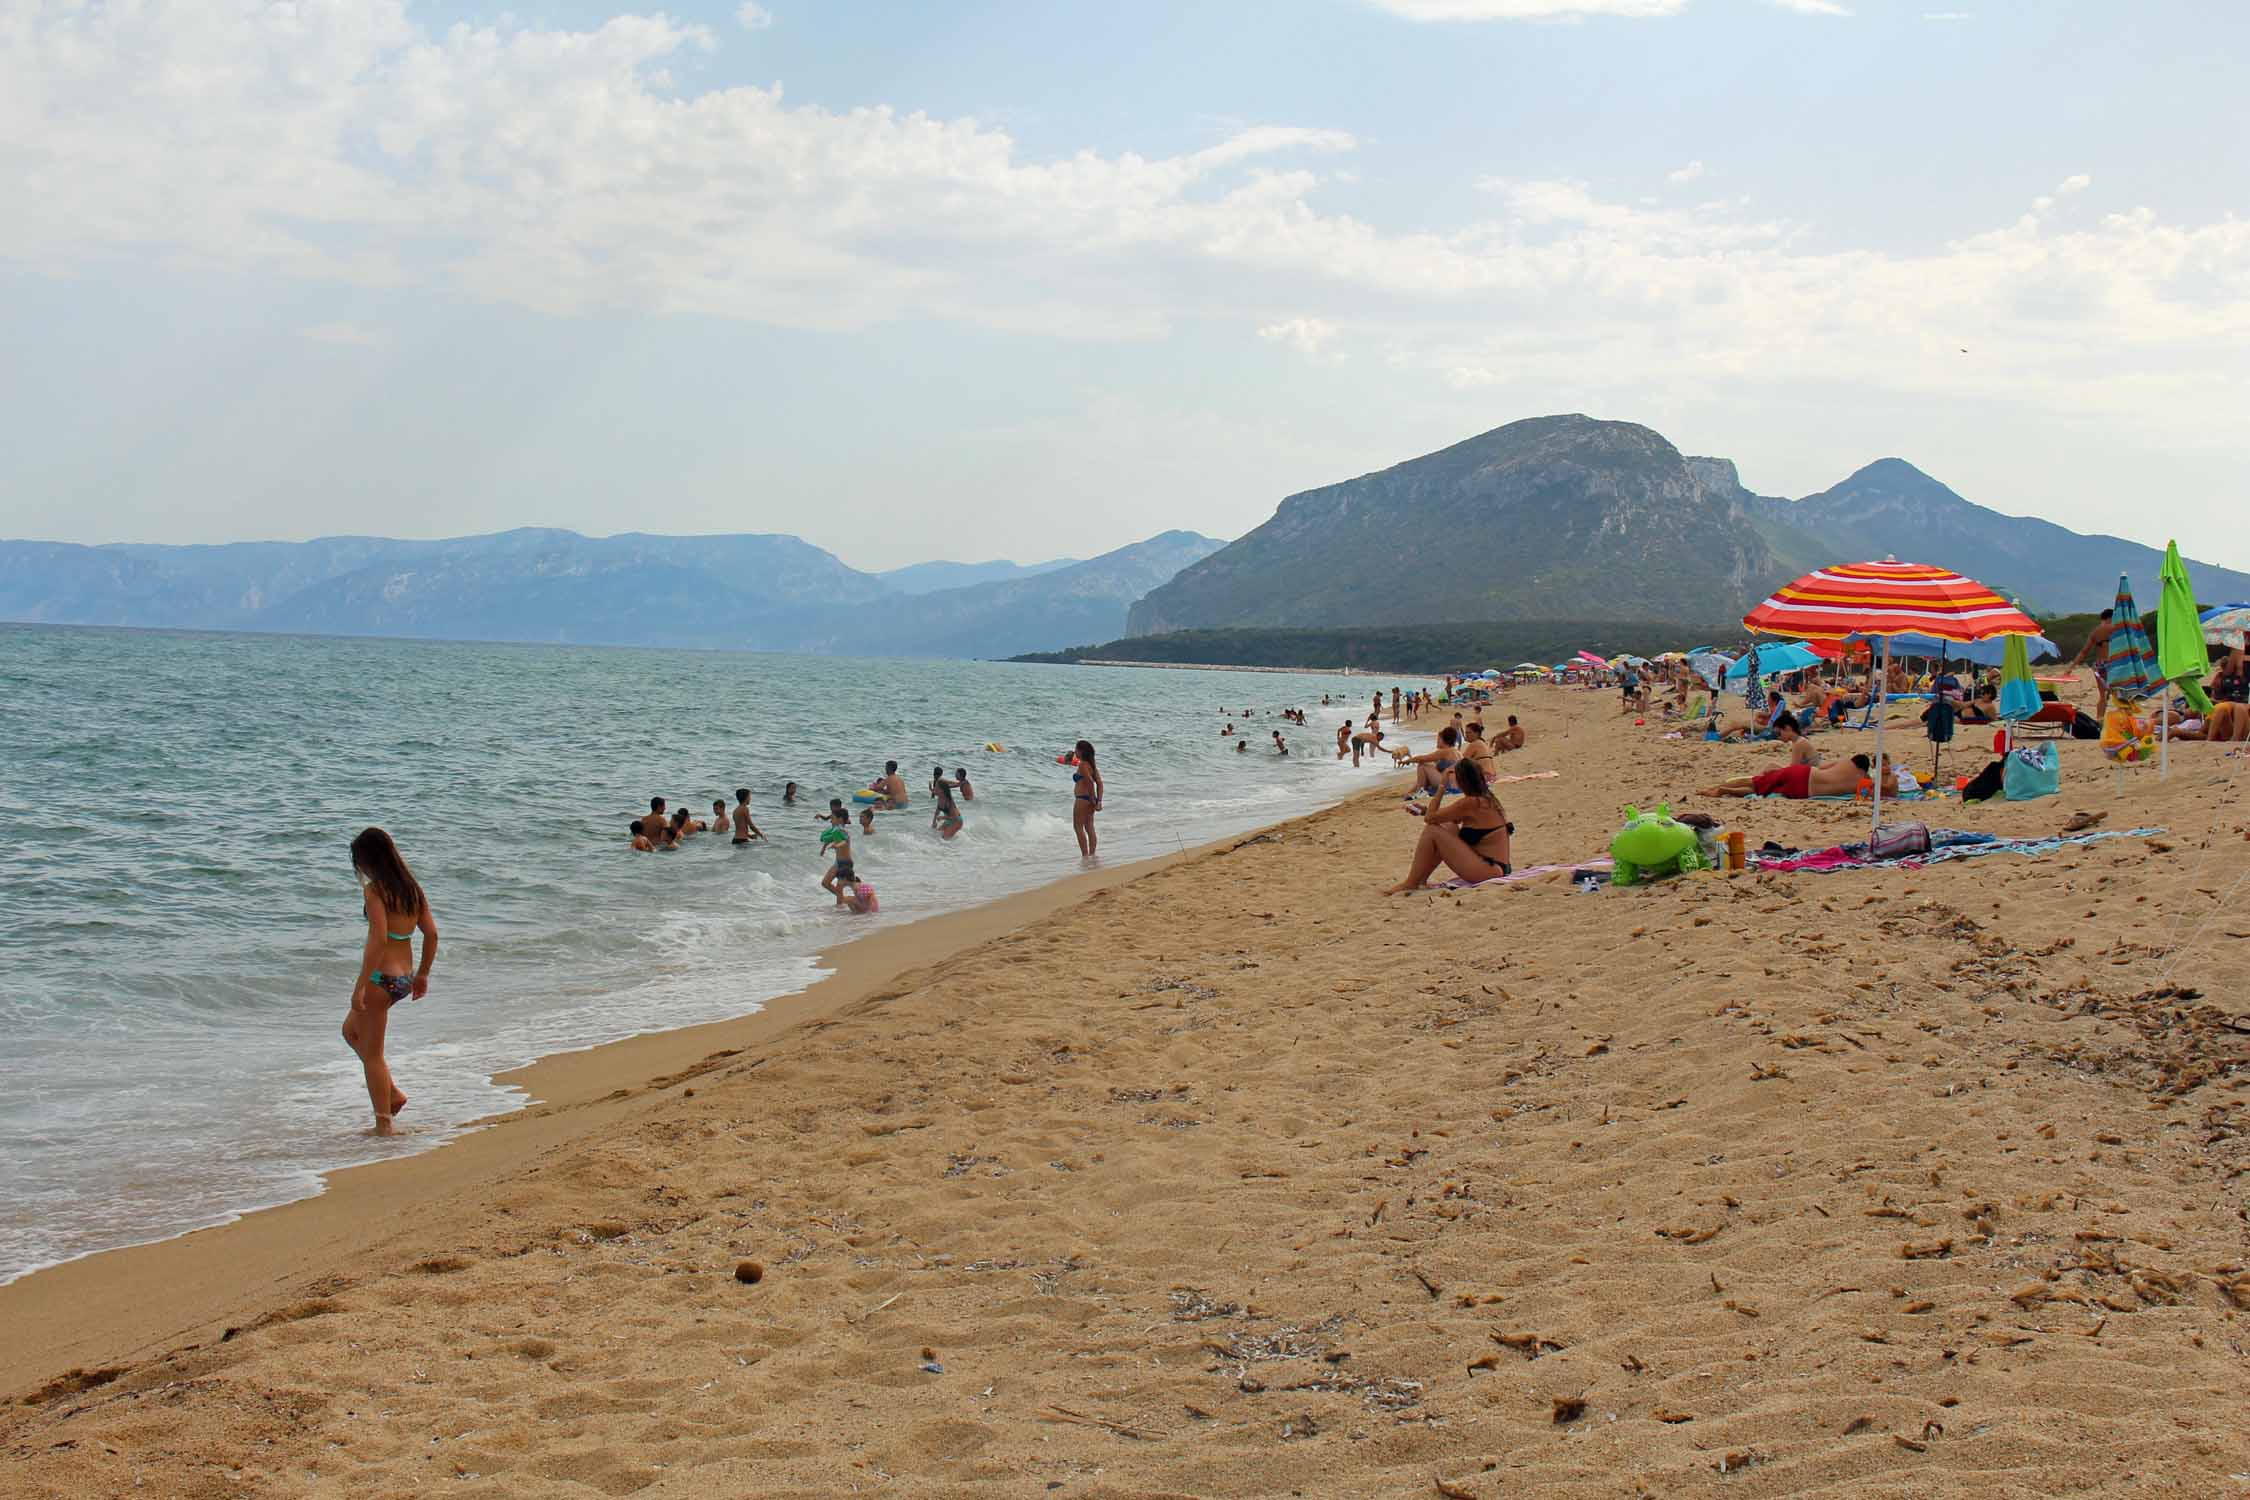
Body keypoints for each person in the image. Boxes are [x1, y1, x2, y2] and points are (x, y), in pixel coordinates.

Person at [343, 828, 437, 1137]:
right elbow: (432, 933)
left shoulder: (375, 891)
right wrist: (422, 974)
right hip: (404, 978)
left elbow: (379, 939)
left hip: (380, 980)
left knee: (373, 1056)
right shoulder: (412, 889)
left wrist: (360, 985)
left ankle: (384, 1123)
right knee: (350, 1031)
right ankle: (391, 1092)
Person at [1383, 758, 1512, 893]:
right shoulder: (1485, 798)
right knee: (1446, 825)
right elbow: (1443, 817)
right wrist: (1424, 811)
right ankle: (1421, 880)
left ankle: (1411, 882)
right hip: (1496, 867)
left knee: (1433, 830)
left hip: (1489, 870)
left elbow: (1430, 819)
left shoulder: (1471, 802)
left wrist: (1441, 787)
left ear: (1462, 780)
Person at [1699, 751, 1874, 799]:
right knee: (1759, 791)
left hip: (1804, 774)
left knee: (1757, 781)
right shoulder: (1864, 783)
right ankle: (1724, 790)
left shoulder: (1845, 762)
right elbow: (1866, 798)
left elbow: (1820, 766)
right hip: (1804, 792)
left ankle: (1721, 787)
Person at [2070, 609, 2119, 718]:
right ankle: (2123, 721)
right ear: (2111, 618)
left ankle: (2099, 720)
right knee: (2120, 694)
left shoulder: (2096, 631)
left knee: (2103, 696)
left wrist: (2071, 668)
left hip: (2099, 665)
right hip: (2114, 664)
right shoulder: (2117, 629)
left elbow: (2084, 652)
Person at [1392, 726, 1459, 796]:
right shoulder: (1455, 751)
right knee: (1428, 765)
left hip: (1449, 785)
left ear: (1443, 739)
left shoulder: (1445, 751)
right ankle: (1417, 791)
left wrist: (1407, 761)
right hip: (1455, 784)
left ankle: (1419, 791)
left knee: (1422, 765)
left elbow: (1421, 759)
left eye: (1438, 739)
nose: (1437, 741)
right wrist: (1410, 791)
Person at [1070, 740, 1103, 858]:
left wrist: (1091, 797)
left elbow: (1089, 781)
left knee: (1077, 826)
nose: (1075, 751)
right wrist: (1098, 800)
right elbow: (1099, 783)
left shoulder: (1083, 765)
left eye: (1076, 749)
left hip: (1083, 799)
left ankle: (1085, 855)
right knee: (1089, 826)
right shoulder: (1092, 765)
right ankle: (1092, 855)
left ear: (1081, 751)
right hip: (1090, 799)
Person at [818, 811, 855, 901]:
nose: (831, 821)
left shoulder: (843, 831)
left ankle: (841, 907)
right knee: (825, 883)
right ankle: (844, 899)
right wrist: (823, 848)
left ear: (840, 819)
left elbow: (845, 841)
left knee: (840, 889)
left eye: (833, 818)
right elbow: (831, 838)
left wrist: (837, 845)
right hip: (837, 863)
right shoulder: (835, 831)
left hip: (846, 863)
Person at [931, 767, 964, 839]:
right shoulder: (940, 799)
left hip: (957, 821)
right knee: (936, 835)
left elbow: (954, 817)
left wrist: (942, 817)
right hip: (950, 820)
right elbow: (937, 811)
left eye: (937, 788)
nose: (935, 790)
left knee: (943, 839)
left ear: (942, 790)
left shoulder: (948, 801)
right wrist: (934, 822)